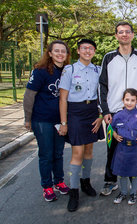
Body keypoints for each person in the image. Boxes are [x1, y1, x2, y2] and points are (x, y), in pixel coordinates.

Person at [99, 21, 137, 196]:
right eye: (120, 32)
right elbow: (102, 85)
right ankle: (110, 180)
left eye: (127, 31)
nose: (124, 34)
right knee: (113, 148)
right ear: (116, 36)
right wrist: (105, 111)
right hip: (115, 112)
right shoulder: (108, 57)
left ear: (132, 35)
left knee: (136, 147)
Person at [59, 39, 104, 212]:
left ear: (94, 51)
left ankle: (86, 182)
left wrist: (100, 115)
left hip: (92, 111)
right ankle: (74, 191)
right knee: (77, 152)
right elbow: (63, 98)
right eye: (84, 48)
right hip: (75, 113)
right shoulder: (69, 69)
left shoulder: (98, 70)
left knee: (88, 151)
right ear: (78, 51)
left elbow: (102, 95)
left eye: (91, 48)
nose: (87, 51)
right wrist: (64, 122)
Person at [23, 40, 71, 202]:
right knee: (46, 154)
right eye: (56, 51)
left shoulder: (67, 71)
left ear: (66, 55)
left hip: (60, 120)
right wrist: (27, 119)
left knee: (58, 153)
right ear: (49, 53)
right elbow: (29, 96)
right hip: (42, 120)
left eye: (63, 51)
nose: (60, 54)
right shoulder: (40, 71)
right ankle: (47, 186)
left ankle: (59, 181)